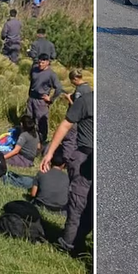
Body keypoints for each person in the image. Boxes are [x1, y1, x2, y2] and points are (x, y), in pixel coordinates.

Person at [40, 90, 93, 254]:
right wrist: (49, 153)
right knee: (79, 202)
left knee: (87, 205)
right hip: (84, 157)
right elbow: (65, 124)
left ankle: (77, 241)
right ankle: (68, 244)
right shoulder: (86, 101)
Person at [27, 53, 65, 144]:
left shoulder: (51, 74)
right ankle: (29, 138)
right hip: (31, 98)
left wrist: (51, 99)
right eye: (39, 62)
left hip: (41, 101)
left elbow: (59, 88)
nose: (40, 64)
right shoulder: (34, 70)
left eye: (43, 63)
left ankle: (42, 141)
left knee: (41, 122)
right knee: (28, 119)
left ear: (48, 62)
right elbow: (32, 81)